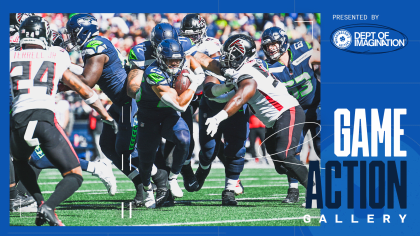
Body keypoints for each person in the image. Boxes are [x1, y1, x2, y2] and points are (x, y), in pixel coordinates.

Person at [10, 16, 117, 226]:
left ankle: (39, 202)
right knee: (74, 175)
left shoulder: (9, 54)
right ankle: (48, 206)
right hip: (43, 118)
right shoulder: (56, 54)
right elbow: (82, 87)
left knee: (21, 161)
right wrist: (105, 114)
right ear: (45, 35)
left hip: (17, 121)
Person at [65, 14, 169, 206]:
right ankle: (140, 185)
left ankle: (160, 178)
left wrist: (60, 79)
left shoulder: (95, 46)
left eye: (73, 32)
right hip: (119, 103)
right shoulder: (98, 43)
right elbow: (87, 72)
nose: (71, 37)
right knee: (107, 145)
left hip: (129, 103)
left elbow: (88, 81)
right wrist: (67, 67)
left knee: (125, 149)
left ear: (83, 31)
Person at [198, 34, 309, 205]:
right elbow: (222, 96)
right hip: (273, 121)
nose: (228, 58)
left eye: (233, 54)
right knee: (281, 165)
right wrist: (213, 90)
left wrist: (219, 117)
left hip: (288, 111)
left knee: (284, 154)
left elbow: (241, 96)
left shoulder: (247, 73)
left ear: (245, 55)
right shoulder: (247, 67)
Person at [24, 29, 117, 196]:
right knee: (29, 160)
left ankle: (96, 167)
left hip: (35, 114)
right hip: (25, 113)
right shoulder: (33, 55)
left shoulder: (52, 55)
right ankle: (23, 196)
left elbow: (83, 81)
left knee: (34, 159)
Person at [128, 38, 205, 208]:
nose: (175, 64)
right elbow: (180, 104)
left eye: (178, 60)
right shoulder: (153, 72)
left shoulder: (183, 63)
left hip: (168, 114)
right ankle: (148, 189)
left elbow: (191, 58)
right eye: (171, 60)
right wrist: (196, 83)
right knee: (146, 160)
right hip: (149, 116)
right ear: (161, 59)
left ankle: (173, 177)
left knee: (184, 139)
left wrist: (198, 70)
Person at [261, 27, 320, 203]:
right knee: (290, 152)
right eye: (268, 45)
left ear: (284, 42)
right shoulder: (267, 68)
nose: (271, 48)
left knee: (321, 147)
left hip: (317, 106)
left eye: (274, 43)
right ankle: (293, 189)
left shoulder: (303, 52)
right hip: (293, 111)